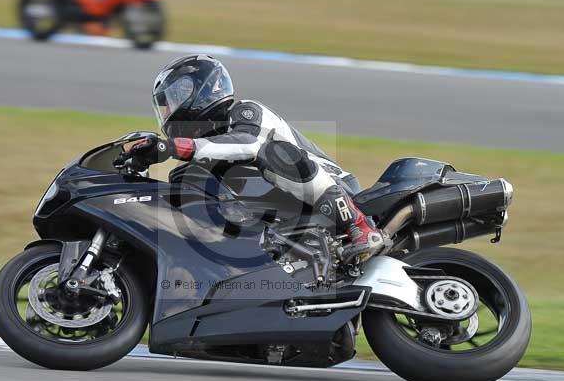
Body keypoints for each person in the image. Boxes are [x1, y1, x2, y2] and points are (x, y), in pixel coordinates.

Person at [129, 54, 390, 262]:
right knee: (183, 179)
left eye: (175, 97)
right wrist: (138, 167)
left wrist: (173, 147)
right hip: (283, 214)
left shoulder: (245, 113)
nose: (169, 110)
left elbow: (248, 145)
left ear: (202, 89)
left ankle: (359, 226)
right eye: (165, 104)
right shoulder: (206, 151)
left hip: (334, 191)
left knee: (272, 152)